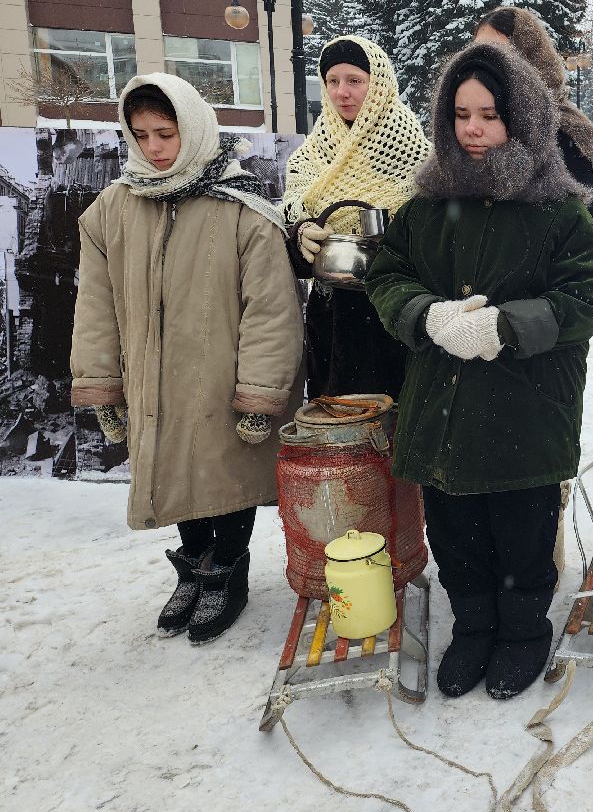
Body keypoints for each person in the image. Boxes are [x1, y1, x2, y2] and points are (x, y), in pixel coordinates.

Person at [365, 40, 593, 701]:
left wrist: (504, 328)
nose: (472, 129)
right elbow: (387, 274)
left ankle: (524, 632)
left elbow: (586, 297)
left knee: (523, 530)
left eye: (490, 115)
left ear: (523, 119)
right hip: (442, 408)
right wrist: (424, 314)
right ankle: (473, 628)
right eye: (461, 114)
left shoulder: (559, 211)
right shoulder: (424, 206)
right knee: (455, 531)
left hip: (526, 409)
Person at [71, 74, 302, 643]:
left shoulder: (242, 209)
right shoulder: (114, 209)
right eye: (142, 134)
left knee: (224, 479)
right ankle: (195, 566)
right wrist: (103, 384)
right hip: (152, 380)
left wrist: (261, 393)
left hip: (222, 382)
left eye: (166, 134)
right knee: (175, 476)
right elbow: (95, 304)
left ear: (193, 129)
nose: (153, 148)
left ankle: (228, 572)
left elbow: (270, 310)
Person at [283, 36, 432, 400]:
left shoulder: (414, 155)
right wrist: (301, 233)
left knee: (389, 431)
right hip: (331, 323)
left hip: (392, 319)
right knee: (336, 436)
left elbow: (435, 240)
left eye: (354, 81)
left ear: (378, 84)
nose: (341, 93)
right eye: (332, 81)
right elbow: (295, 252)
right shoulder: (311, 155)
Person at [474, 6, 593, 225]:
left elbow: (584, 238)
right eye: (479, 53)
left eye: (499, 52)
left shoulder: (567, 130)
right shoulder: (467, 125)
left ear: (530, 58)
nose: (485, 63)